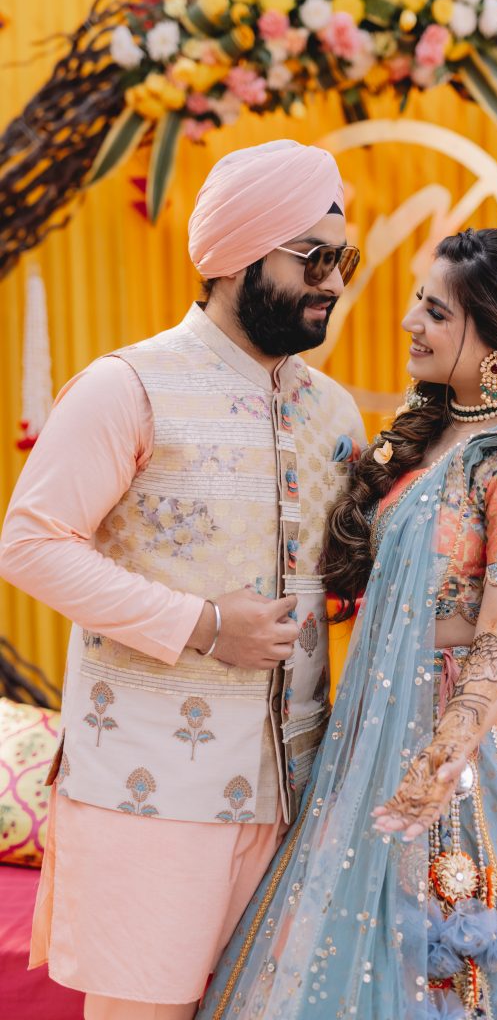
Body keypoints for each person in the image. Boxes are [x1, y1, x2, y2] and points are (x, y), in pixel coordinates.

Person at [198, 228, 497, 1020]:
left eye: (435, 312)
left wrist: (436, 765)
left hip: (455, 753)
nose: (408, 323)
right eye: (418, 304)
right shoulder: (433, 438)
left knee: (453, 953)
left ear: (494, 340)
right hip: (368, 731)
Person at [0, 139, 366, 1020]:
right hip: (151, 795)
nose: (333, 280)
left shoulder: (335, 410)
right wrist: (204, 625)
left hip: (298, 793)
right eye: (312, 257)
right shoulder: (129, 386)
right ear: (241, 255)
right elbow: (30, 543)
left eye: (342, 259)